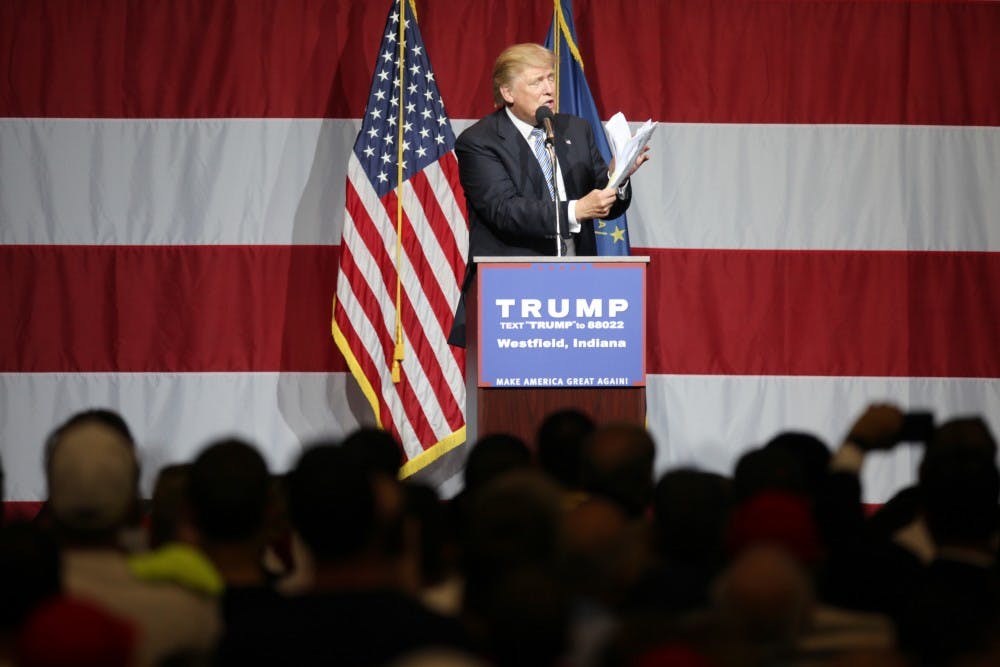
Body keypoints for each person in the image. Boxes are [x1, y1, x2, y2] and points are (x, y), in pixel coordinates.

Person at [450, 42, 649, 345]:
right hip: (508, 298)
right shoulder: (479, 142)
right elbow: (504, 210)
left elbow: (605, 203)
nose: (549, 89)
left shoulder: (575, 130)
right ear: (508, 93)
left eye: (551, 78)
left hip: (577, 297)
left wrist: (617, 175)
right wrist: (576, 211)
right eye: (536, 81)